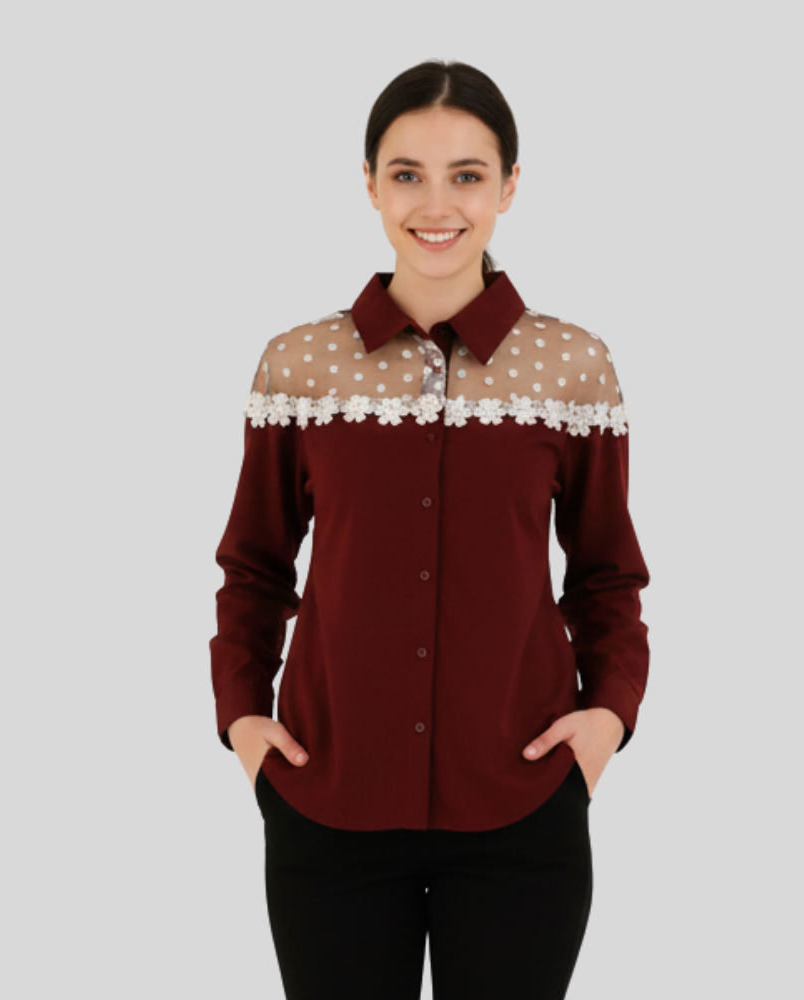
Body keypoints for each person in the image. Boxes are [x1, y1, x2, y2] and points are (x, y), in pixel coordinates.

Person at [209, 59, 651, 1000]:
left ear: (509, 187)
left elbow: (607, 574)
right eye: (407, 173)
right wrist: (243, 720)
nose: (436, 204)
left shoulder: (574, 367)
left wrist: (607, 720)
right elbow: (254, 565)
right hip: (327, 806)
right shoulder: (300, 365)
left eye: (467, 175)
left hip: (522, 808)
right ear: (370, 184)